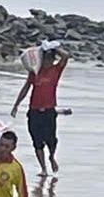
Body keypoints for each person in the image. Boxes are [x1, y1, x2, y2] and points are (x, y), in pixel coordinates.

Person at [11, 44, 68, 174]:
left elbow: (65, 56)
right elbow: (26, 88)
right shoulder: (35, 71)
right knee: (37, 141)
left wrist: (53, 47)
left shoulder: (56, 70)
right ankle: (43, 168)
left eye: (50, 59)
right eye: (45, 59)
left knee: (51, 140)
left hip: (49, 111)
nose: (48, 62)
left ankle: (52, 157)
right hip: (34, 111)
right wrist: (16, 105)